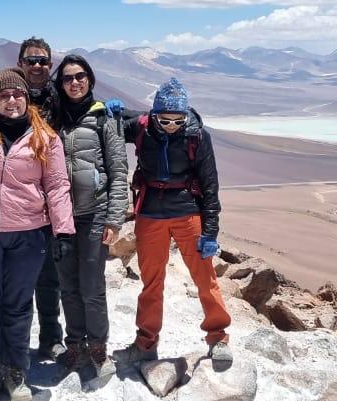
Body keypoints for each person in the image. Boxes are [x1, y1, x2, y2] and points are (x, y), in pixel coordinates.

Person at [0, 66, 75, 401]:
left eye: (18, 94)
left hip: (27, 233)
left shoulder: (45, 137)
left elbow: (56, 185)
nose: (11, 100)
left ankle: (16, 370)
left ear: (27, 98)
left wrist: (63, 230)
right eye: (3, 95)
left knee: (17, 304)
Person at [113, 77, 233, 370]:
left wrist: (210, 231)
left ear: (186, 115)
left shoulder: (197, 136)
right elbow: (119, 118)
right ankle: (145, 343)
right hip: (150, 213)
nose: (170, 125)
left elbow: (210, 183)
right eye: (164, 119)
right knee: (151, 283)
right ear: (154, 114)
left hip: (187, 213)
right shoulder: (142, 127)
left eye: (177, 120)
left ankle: (218, 338)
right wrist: (109, 109)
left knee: (205, 278)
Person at [0, 37, 64, 358]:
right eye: (31, 60)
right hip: (3, 213)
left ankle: (51, 337)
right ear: (21, 63)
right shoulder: (1, 100)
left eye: (43, 61)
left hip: (45, 206)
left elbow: (90, 106)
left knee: (49, 277)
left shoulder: (60, 97)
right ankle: (0, 357)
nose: (37, 66)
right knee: (4, 291)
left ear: (50, 65)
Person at [52, 54, 129, 379]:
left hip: (95, 215)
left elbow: (118, 169)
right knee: (68, 286)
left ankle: (98, 348)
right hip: (62, 218)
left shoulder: (103, 120)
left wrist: (114, 218)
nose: (74, 82)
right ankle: (75, 346)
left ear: (90, 80)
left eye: (80, 76)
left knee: (92, 286)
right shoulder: (54, 120)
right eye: (68, 78)